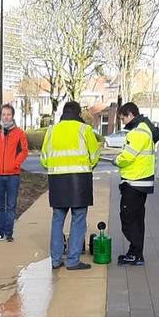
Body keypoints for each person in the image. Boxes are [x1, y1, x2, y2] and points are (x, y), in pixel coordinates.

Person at [41, 101, 101, 271]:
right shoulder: (85, 130)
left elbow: (44, 159)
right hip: (79, 181)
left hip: (57, 182)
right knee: (78, 219)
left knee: (57, 220)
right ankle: (73, 260)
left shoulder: (52, 131)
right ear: (78, 114)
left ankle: (55, 259)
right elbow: (95, 155)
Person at [114, 102, 159, 266]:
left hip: (134, 182)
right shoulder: (145, 128)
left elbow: (127, 156)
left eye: (123, 118)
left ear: (130, 114)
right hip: (142, 181)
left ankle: (135, 253)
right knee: (137, 218)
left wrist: (117, 160)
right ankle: (135, 253)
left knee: (128, 218)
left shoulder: (137, 133)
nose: (123, 122)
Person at [0, 103, 29, 242]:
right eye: (3, 114)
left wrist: (15, 164)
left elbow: (24, 151)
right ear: (1, 115)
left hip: (12, 176)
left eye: (8, 114)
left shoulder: (19, 133)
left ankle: (9, 232)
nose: (6, 117)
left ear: (12, 116)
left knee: (11, 206)